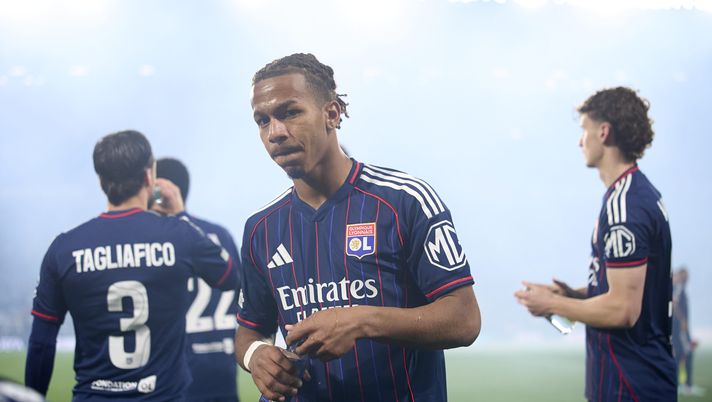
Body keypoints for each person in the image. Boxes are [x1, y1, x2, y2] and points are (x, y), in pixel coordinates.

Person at [235, 53, 481, 402]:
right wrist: (255, 355)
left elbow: (465, 319)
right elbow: (250, 329)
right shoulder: (260, 227)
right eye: (263, 120)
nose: (275, 132)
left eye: (290, 112)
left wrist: (361, 321)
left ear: (331, 114)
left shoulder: (405, 201)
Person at [25, 130, 237, 401]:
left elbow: (42, 342)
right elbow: (229, 277)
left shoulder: (64, 249)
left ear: (101, 180)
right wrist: (181, 214)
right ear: (149, 176)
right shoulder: (178, 234)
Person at [514, 87, 676, 401]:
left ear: (603, 132)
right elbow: (631, 288)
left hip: (630, 383)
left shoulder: (625, 205)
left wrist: (552, 305)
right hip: (637, 380)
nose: (580, 141)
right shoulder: (637, 195)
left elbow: (623, 309)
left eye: (584, 131)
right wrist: (574, 294)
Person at [156, 157, 241, 402]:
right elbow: (241, 294)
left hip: (176, 375)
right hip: (222, 369)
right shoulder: (220, 235)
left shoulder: (155, 240)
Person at [672, 267, 705, 396]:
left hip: (681, 330)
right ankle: (686, 385)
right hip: (680, 331)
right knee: (684, 354)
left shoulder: (680, 290)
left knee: (682, 355)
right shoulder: (677, 290)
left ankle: (683, 384)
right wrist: (683, 323)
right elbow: (676, 308)